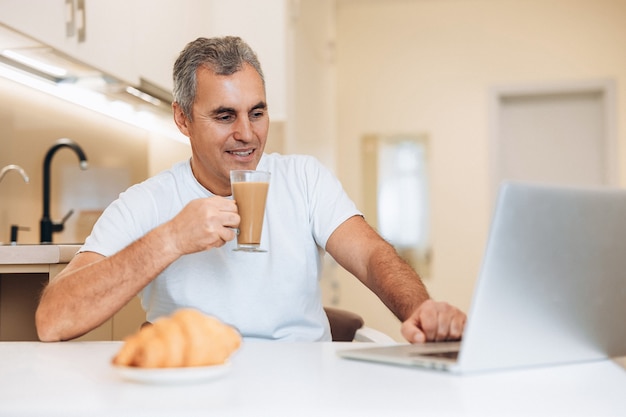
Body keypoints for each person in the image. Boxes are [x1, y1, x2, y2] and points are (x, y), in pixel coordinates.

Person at [36, 36, 466, 343]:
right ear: (182, 119)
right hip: (197, 391)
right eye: (225, 116)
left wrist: (419, 309)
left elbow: (373, 257)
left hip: (303, 388)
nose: (248, 134)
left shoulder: (303, 178)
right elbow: (53, 320)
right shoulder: (146, 202)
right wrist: (170, 239)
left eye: (256, 113)